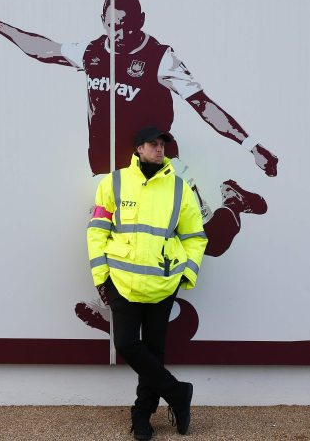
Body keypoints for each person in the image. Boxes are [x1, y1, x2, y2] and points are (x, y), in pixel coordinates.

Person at [0, 0, 275, 257]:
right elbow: (44, 49)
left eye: (125, 26)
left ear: (140, 20)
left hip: (160, 168)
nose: (117, 33)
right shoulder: (92, 51)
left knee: (212, 245)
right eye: (111, 24)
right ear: (102, 21)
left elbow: (203, 104)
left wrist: (251, 145)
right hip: (112, 171)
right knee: (115, 246)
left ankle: (233, 201)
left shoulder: (160, 58)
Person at [87, 126, 207, 439]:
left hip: (163, 283)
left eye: (162, 145)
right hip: (122, 282)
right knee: (126, 343)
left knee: (154, 352)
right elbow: (97, 231)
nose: (159, 149)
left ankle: (142, 416)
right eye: (152, 144)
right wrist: (103, 277)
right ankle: (178, 393)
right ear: (138, 148)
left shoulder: (180, 188)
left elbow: (195, 237)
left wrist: (185, 274)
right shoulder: (113, 182)